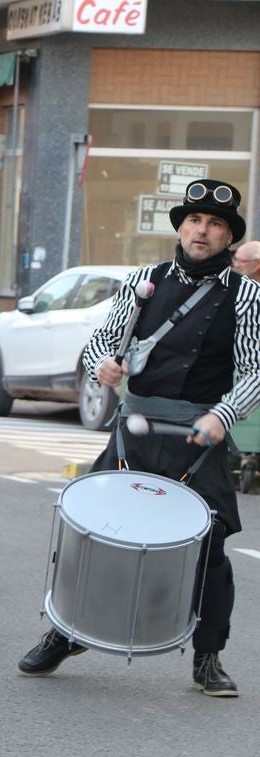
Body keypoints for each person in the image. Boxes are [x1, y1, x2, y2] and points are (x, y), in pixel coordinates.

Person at [17, 178, 260, 698]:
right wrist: (102, 363)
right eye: (195, 220)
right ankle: (66, 632)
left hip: (200, 435)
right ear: (181, 227)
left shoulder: (246, 296)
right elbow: (102, 339)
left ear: (227, 237)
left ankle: (208, 657)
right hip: (135, 430)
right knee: (93, 533)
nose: (203, 230)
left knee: (211, 547)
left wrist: (224, 414)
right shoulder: (141, 281)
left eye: (216, 224)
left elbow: (254, 370)